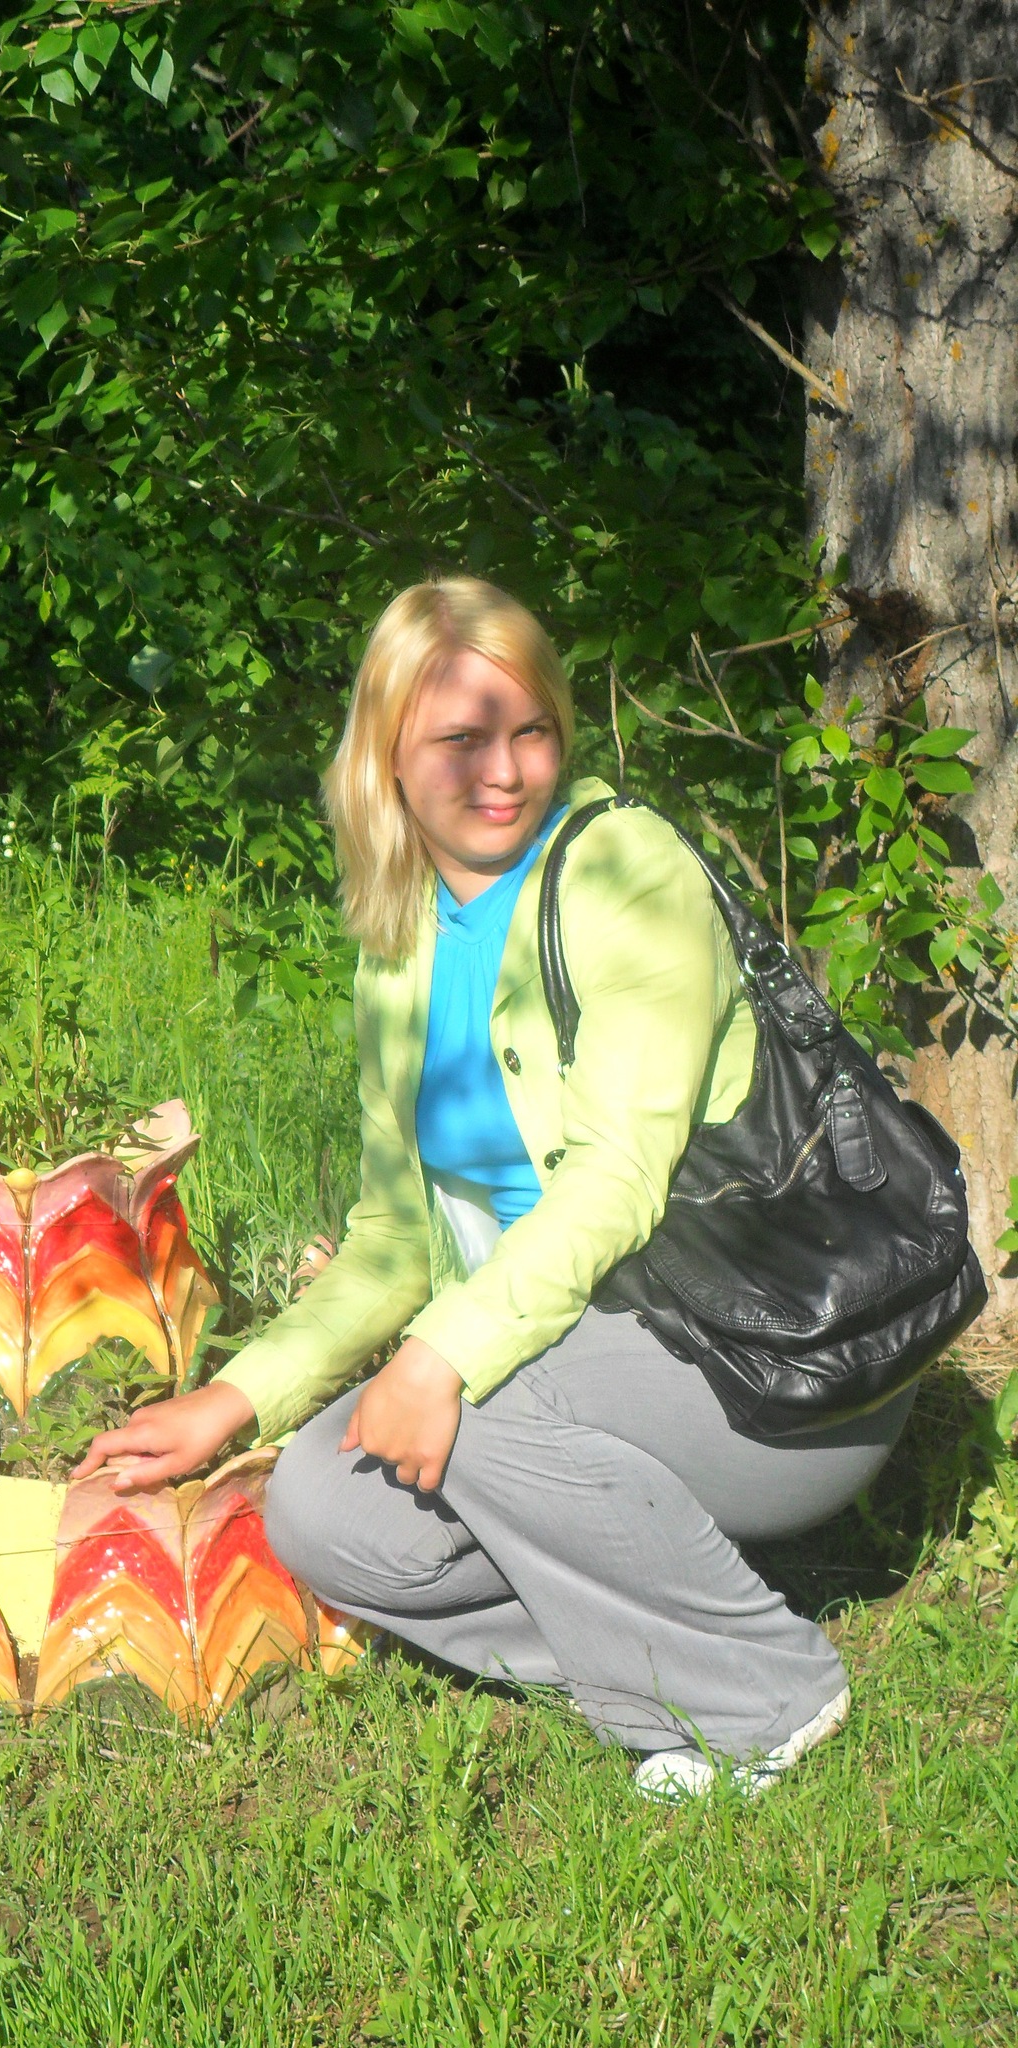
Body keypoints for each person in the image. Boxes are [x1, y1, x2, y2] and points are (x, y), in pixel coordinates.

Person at [74, 576, 915, 1800]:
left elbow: (617, 1180)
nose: (507, 771)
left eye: (532, 731)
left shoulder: (625, 869)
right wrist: (238, 1396)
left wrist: (438, 1358)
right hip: (579, 1374)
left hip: (775, 1364)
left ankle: (767, 1693)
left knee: (464, 1399)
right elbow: (391, 1241)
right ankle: (657, 1656)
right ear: (388, 757)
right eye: (462, 739)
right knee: (319, 1511)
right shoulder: (401, 944)